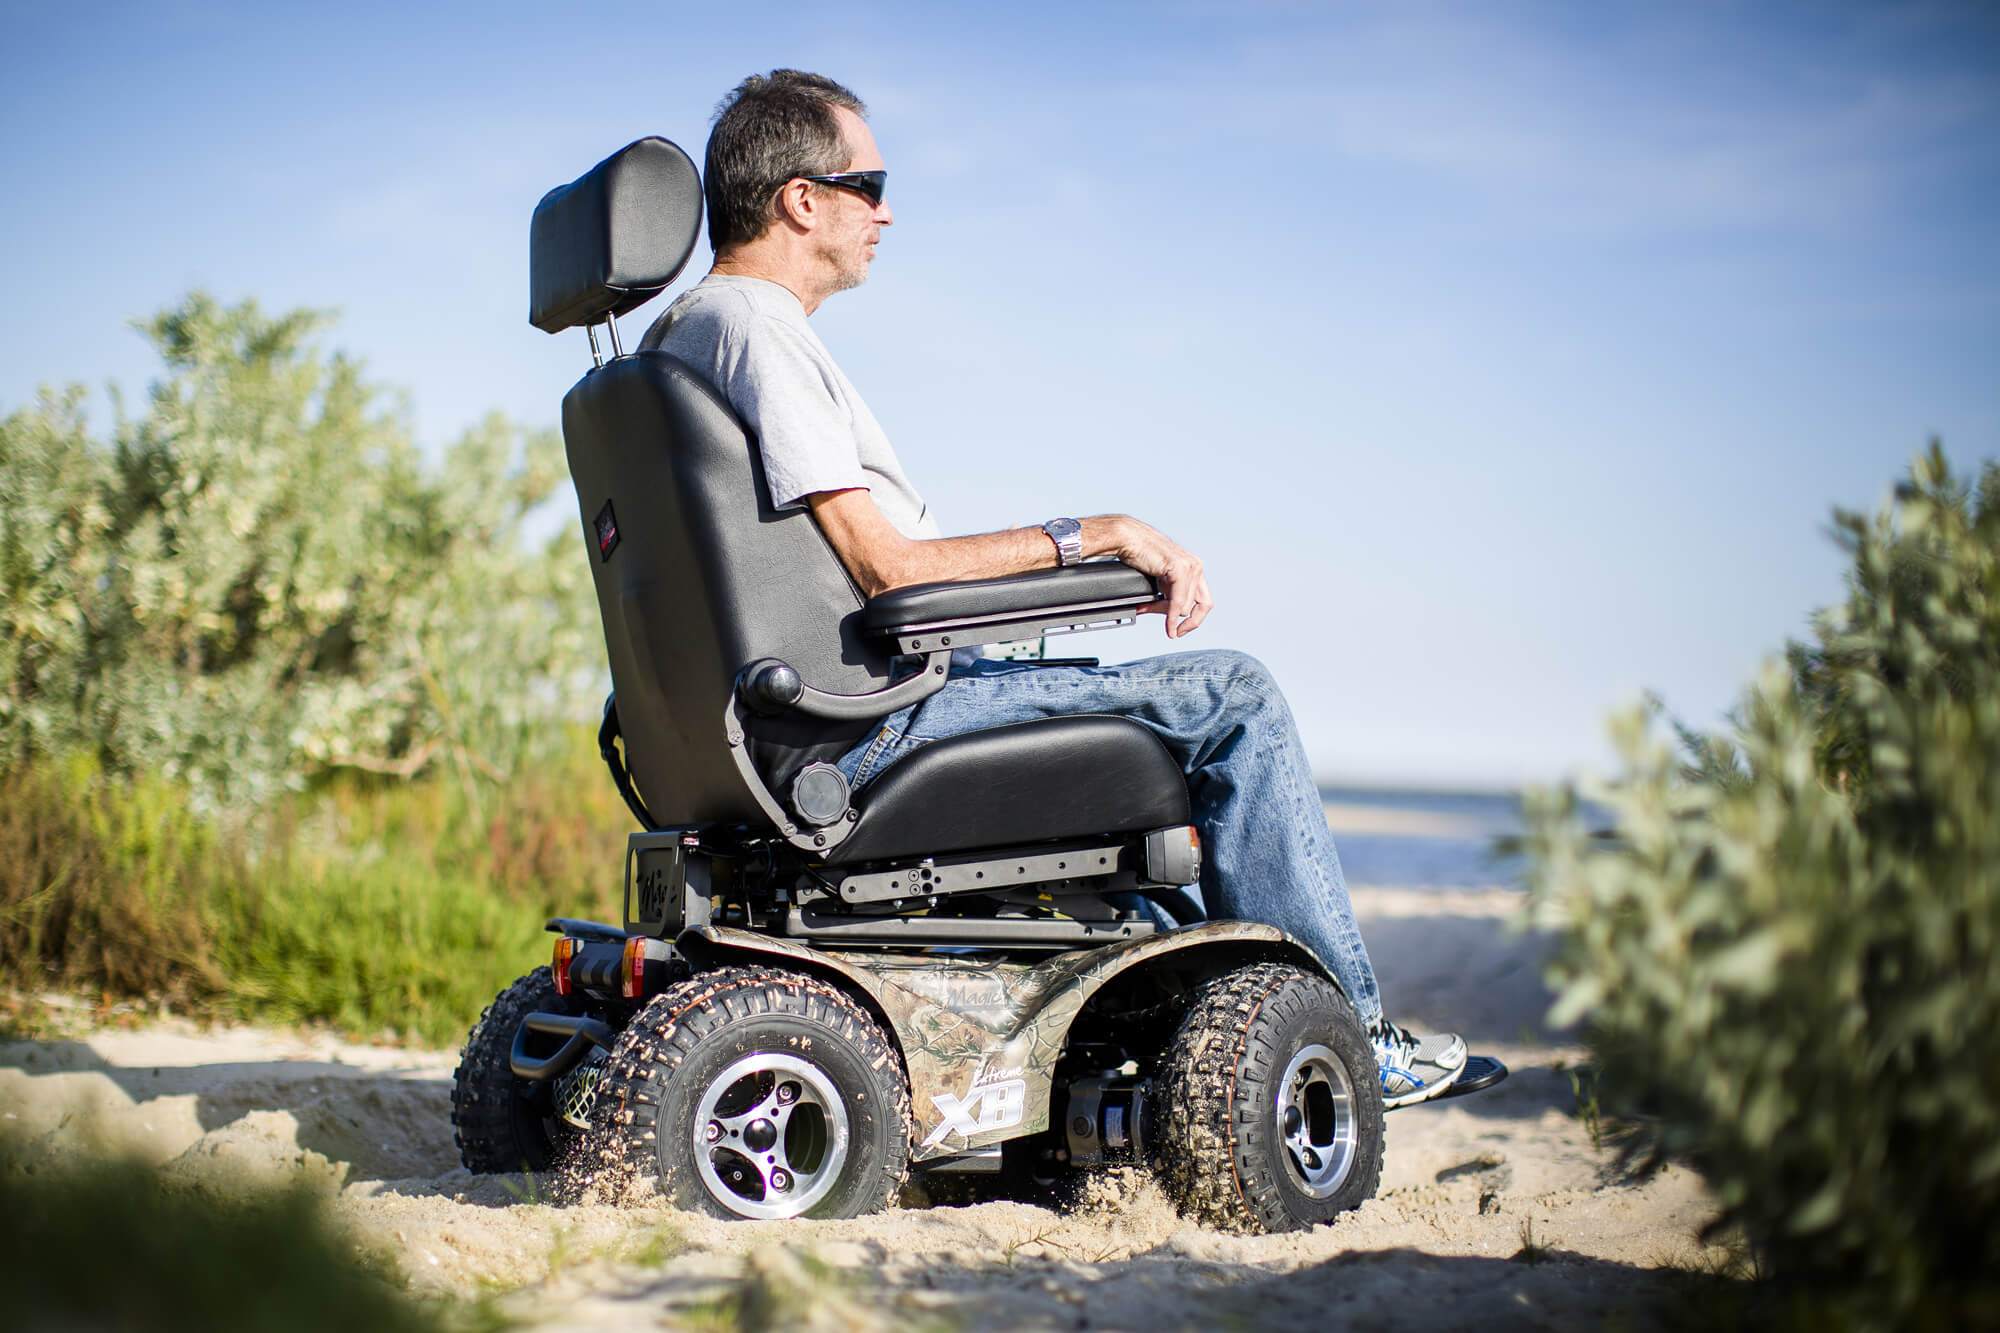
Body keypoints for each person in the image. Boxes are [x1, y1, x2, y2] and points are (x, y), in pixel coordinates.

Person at [652, 70, 1466, 1107]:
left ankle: (1199, 1008)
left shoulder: (677, 340)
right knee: (1232, 695)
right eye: (869, 183)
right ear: (800, 199)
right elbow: (887, 570)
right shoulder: (762, 332)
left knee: (1112, 711)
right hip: (875, 722)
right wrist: (1094, 538)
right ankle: (1352, 1041)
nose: (886, 210)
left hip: (798, 715)